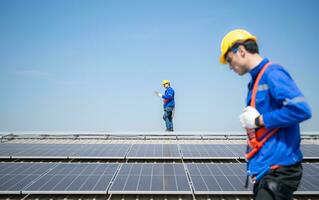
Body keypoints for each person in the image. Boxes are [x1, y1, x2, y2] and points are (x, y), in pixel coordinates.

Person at [219, 29, 312, 200]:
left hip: (279, 169)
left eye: (230, 60)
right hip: (264, 170)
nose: (230, 67)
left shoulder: (272, 73)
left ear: (241, 51)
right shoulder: (254, 82)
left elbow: (301, 110)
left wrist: (259, 120)